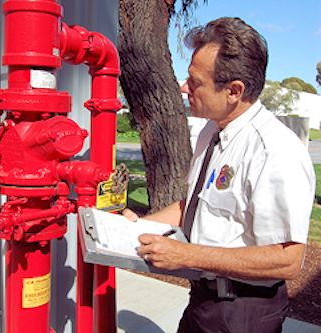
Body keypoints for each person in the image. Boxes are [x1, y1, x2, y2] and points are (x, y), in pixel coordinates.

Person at [123, 17, 315, 333]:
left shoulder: (275, 151)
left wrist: (186, 254)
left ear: (233, 91)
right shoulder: (210, 131)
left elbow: (289, 259)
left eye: (195, 81)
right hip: (203, 298)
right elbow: (194, 205)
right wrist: (139, 225)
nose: (184, 87)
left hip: (243, 313)